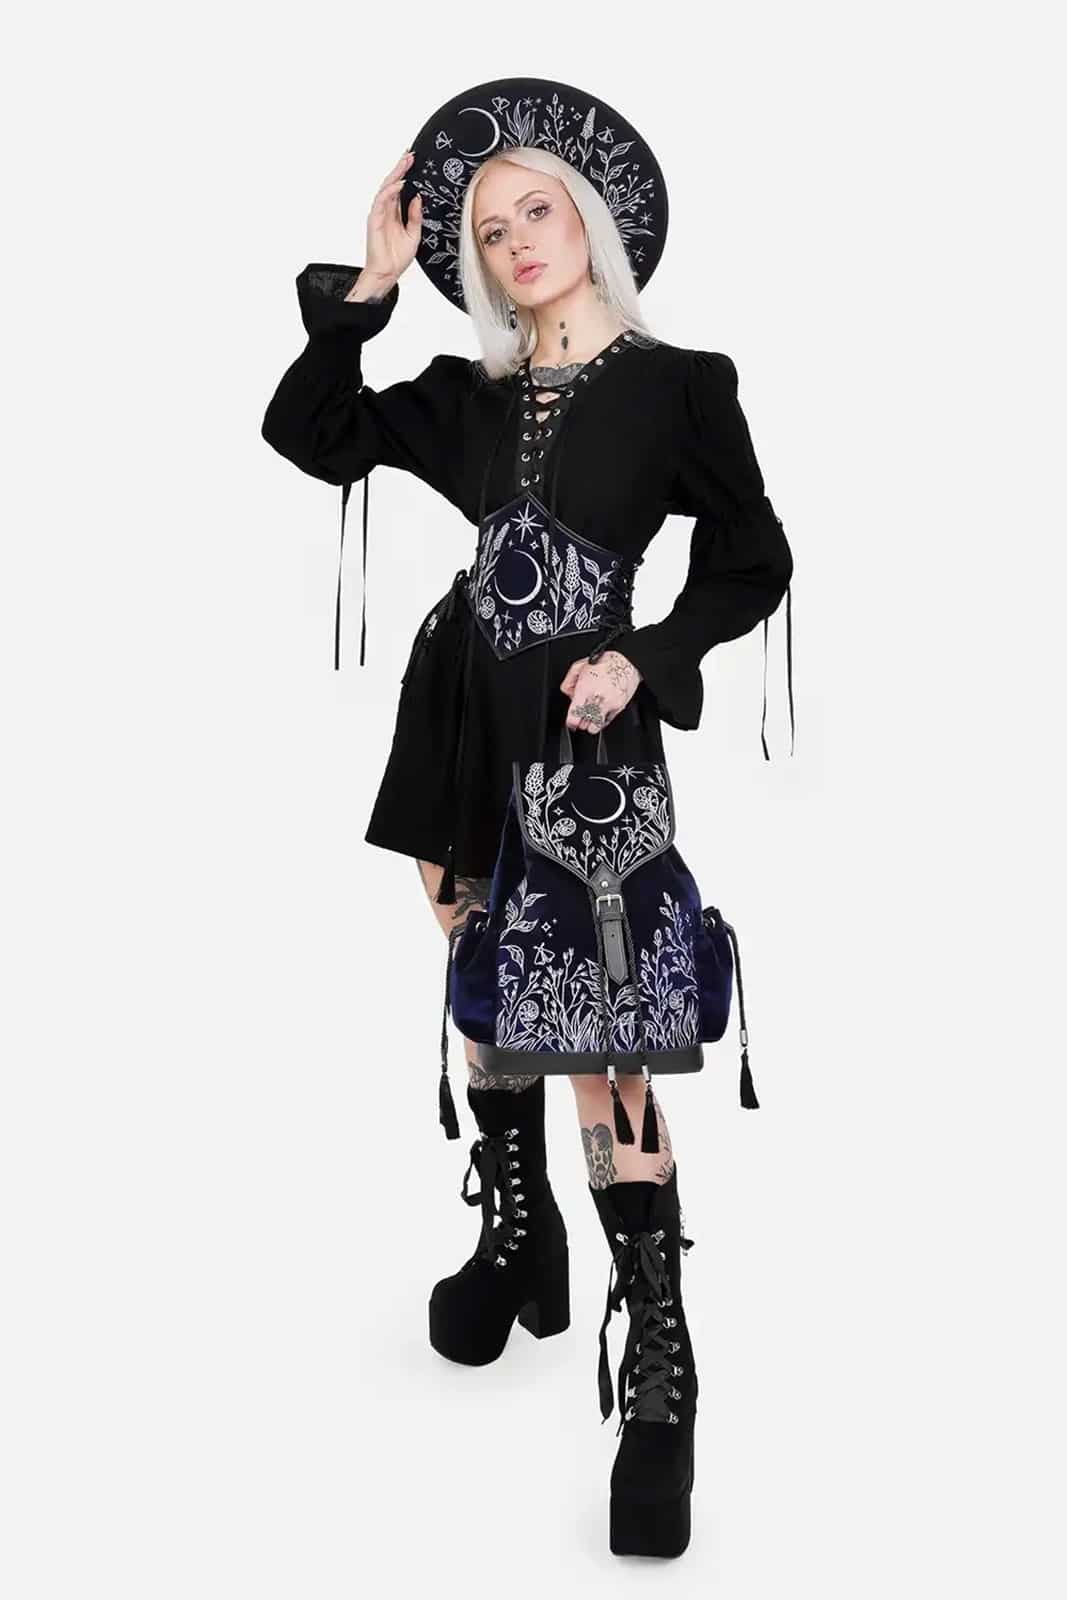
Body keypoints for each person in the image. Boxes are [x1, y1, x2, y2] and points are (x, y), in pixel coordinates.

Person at [262, 88, 793, 1559]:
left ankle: (663, 1368)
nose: (514, 245)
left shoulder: (682, 386)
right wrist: (373, 283)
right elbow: (308, 430)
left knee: (607, 1033)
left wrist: (653, 655)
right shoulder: (468, 394)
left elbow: (755, 555)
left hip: (585, 730)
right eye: (488, 234)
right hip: (459, 715)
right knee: (479, 962)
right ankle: (518, 1236)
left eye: (534, 213)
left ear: (591, 219)